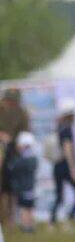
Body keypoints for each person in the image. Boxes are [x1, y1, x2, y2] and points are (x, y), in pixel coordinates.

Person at [49, 99, 75, 228]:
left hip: (57, 165)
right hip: (65, 166)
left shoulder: (58, 126)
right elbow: (67, 148)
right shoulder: (67, 128)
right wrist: (72, 168)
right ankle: (69, 220)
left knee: (59, 195)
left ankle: (51, 222)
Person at [0, 89, 30, 226]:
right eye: (9, 101)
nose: (11, 104)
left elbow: (26, 132)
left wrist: (20, 143)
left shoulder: (22, 113)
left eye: (14, 101)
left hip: (13, 153)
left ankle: (10, 219)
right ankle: (4, 219)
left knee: (11, 188)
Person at [10, 132, 38, 234]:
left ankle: (26, 226)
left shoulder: (22, 160)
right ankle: (30, 226)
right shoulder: (33, 158)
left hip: (23, 187)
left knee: (24, 208)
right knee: (30, 207)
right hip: (30, 187)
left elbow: (12, 168)